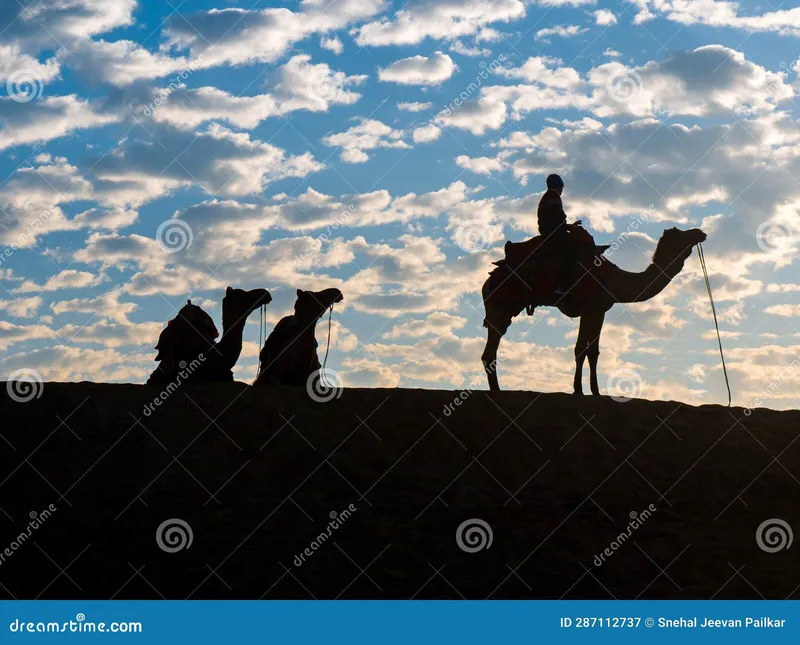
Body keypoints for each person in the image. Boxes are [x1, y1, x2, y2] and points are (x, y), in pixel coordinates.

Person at [537, 174, 577, 295]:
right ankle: (564, 286)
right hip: (553, 233)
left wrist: (568, 226)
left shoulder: (547, 197)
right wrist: (569, 226)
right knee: (572, 251)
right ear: (559, 186)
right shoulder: (553, 197)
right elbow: (558, 217)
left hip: (549, 231)